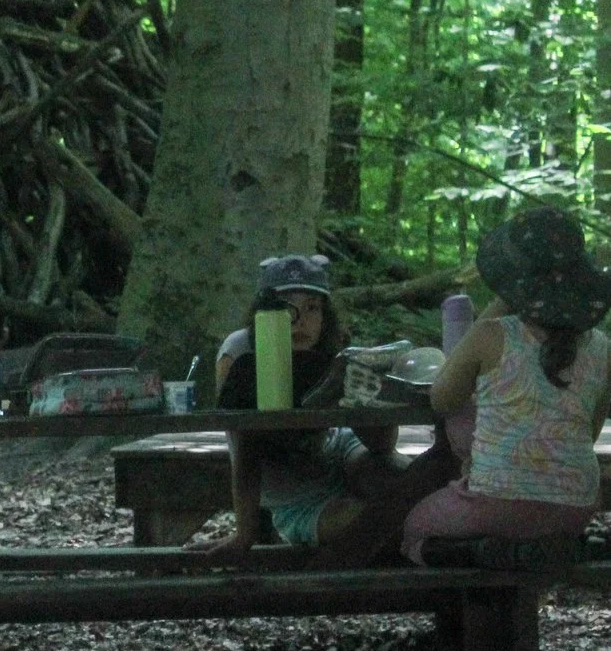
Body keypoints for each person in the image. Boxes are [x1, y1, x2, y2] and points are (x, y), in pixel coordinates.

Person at [196, 253, 451, 565]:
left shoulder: (333, 350)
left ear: (325, 315)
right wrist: (244, 534)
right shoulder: (242, 351)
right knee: (371, 519)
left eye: (312, 308)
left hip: (341, 451)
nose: (300, 320)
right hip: (296, 496)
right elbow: (243, 447)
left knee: (399, 479)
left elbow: (381, 445)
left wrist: (360, 394)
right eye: (286, 307)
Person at [403, 207, 611, 570]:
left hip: (496, 505)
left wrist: (500, 303)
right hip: (576, 505)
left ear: (510, 283)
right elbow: (589, 430)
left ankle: (478, 551)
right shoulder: (602, 347)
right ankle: (564, 547)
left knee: (413, 529)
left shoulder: (492, 335)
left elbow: (442, 397)